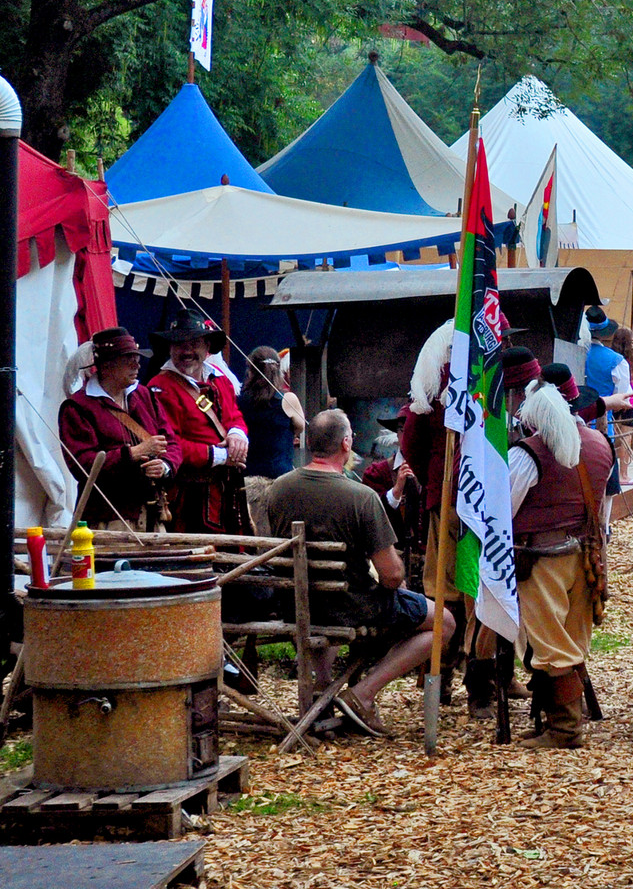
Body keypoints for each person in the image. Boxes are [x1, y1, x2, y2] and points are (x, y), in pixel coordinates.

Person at [266, 409, 454, 737]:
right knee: (444, 622)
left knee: (326, 597)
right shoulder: (362, 498)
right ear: (346, 442)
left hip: (295, 603)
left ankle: (322, 692)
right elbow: (392, 577)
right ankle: (363, 694)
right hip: (350, 606)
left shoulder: (278, 489)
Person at [500, 366, 614, 747]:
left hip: (542, 558)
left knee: (551, 643)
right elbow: (603, 507)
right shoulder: (600, 443)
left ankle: (565, 729)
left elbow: (503, 511)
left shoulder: (528, 453)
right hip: (586, 557)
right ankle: (555, 722)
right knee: (572, 640)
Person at [60, 327, 180, 528]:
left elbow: (172, 443)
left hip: (153, 514)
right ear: (106, 366)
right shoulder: (78, 407)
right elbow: (83, 465)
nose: (136, 365)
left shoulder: (144, 396)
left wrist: (164, 466)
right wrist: (134, 453)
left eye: (136, 358)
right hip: (108, 519)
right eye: (127, 359)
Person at [147, 311, 251, 534]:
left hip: (225, 490)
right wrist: (220, 456)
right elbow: (168, 443)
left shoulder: (220, 380)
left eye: (193, 343)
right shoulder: (160, 388)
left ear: (206, 348)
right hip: (188, 496)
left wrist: (237, 435)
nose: (186, 351)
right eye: (178, 344)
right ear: (170, 348)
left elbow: (234, 416)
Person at [237, 346, 305, 480]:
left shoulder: (238, 400)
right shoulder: (288, 399)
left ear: (250, 371)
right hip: (280, 477)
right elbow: (300, 427)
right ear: (278, 370)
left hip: (246, 475)